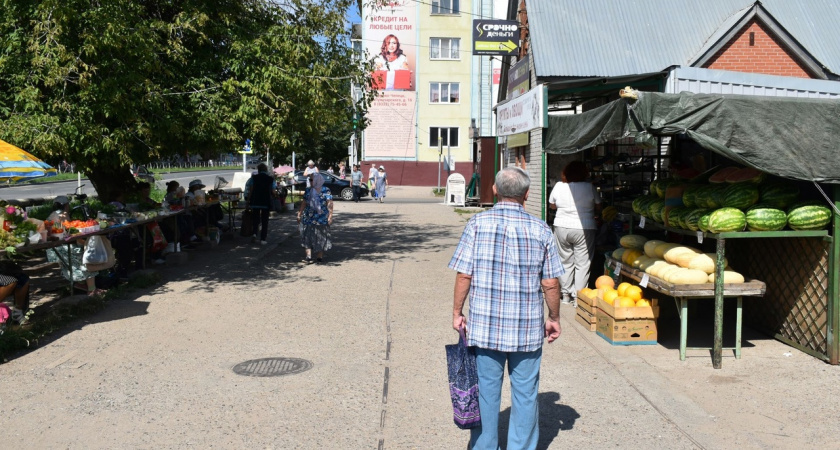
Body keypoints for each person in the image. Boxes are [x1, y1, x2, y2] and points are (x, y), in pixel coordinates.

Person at [449, 167, 563, 449]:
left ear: (494, 190)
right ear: (527, 194)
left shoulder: (477, 224)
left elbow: (464, 275)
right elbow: (550, 283)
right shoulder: (541, 229)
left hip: (485, 328)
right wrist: (554, 317)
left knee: (486, 393)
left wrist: (457, 312)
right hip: (526, 330)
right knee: (526, 393)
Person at [548, 161, 602, 305]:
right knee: (583, 263)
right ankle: (579, 297)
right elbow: (598, 205)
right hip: (585, 227)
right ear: (585, 173)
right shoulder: (589, 187)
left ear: (565, 173)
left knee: (565, 260)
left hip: (562, 226)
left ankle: (566, 295)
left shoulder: (559, 186)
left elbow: (552, 205)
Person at [297, 173, 333, 264]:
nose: (310, 181)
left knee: (320, 236)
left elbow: (330, 203)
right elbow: (304, 203)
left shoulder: (325, 190)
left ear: (317, 180)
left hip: (321, 218)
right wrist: (299, 214)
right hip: (308, 217)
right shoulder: (308, 190)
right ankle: (308, 256)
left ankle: (319, 257)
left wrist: (330, 216)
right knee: (307, 235)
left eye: (311, 180)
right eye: (309, 180)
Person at [244, 163, 276, 245]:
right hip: (266, 201)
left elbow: (250, 190)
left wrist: (248, 202)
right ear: (266, 170)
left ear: (258, 170)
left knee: (255, 219)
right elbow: (273, 191)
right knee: (265, 220)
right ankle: (263, 239)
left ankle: (254, 234)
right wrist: (275, 195)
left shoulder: (253, 178)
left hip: (255, 201)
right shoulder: (270, 179)